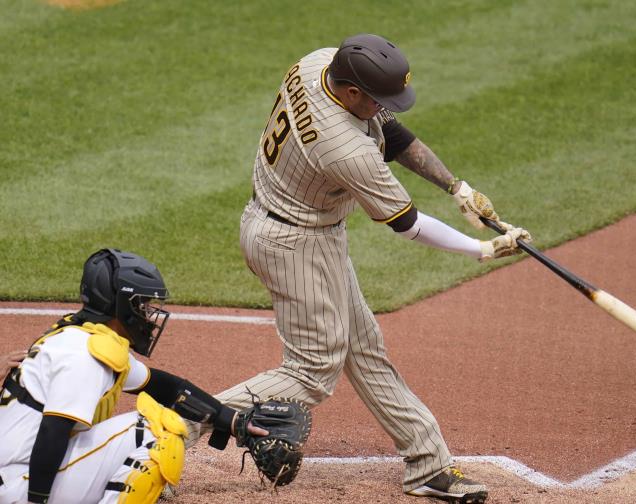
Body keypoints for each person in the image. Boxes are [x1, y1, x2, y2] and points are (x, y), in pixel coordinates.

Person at [208, 33, 531, 503]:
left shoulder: (319, 63)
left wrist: (456, 188)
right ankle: (174, 422)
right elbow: (408, 225)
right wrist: (483, 248)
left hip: (301, 227)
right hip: (291, 245)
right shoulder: (344, 148)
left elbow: (391, 132)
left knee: (363, 347)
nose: (384, 107)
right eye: (378, 98)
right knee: (312, 370)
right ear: (352, 92)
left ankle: (427, 463)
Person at [0, 249, 267, 504]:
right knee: (157, 433)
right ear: (120, 306)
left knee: (142, 430)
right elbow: (53, 432)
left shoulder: (80, 337)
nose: (149, 315)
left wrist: (232, 421)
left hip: (15, 473)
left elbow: (166, 387)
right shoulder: (85, 356)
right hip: (20, 485)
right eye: (143, 305)